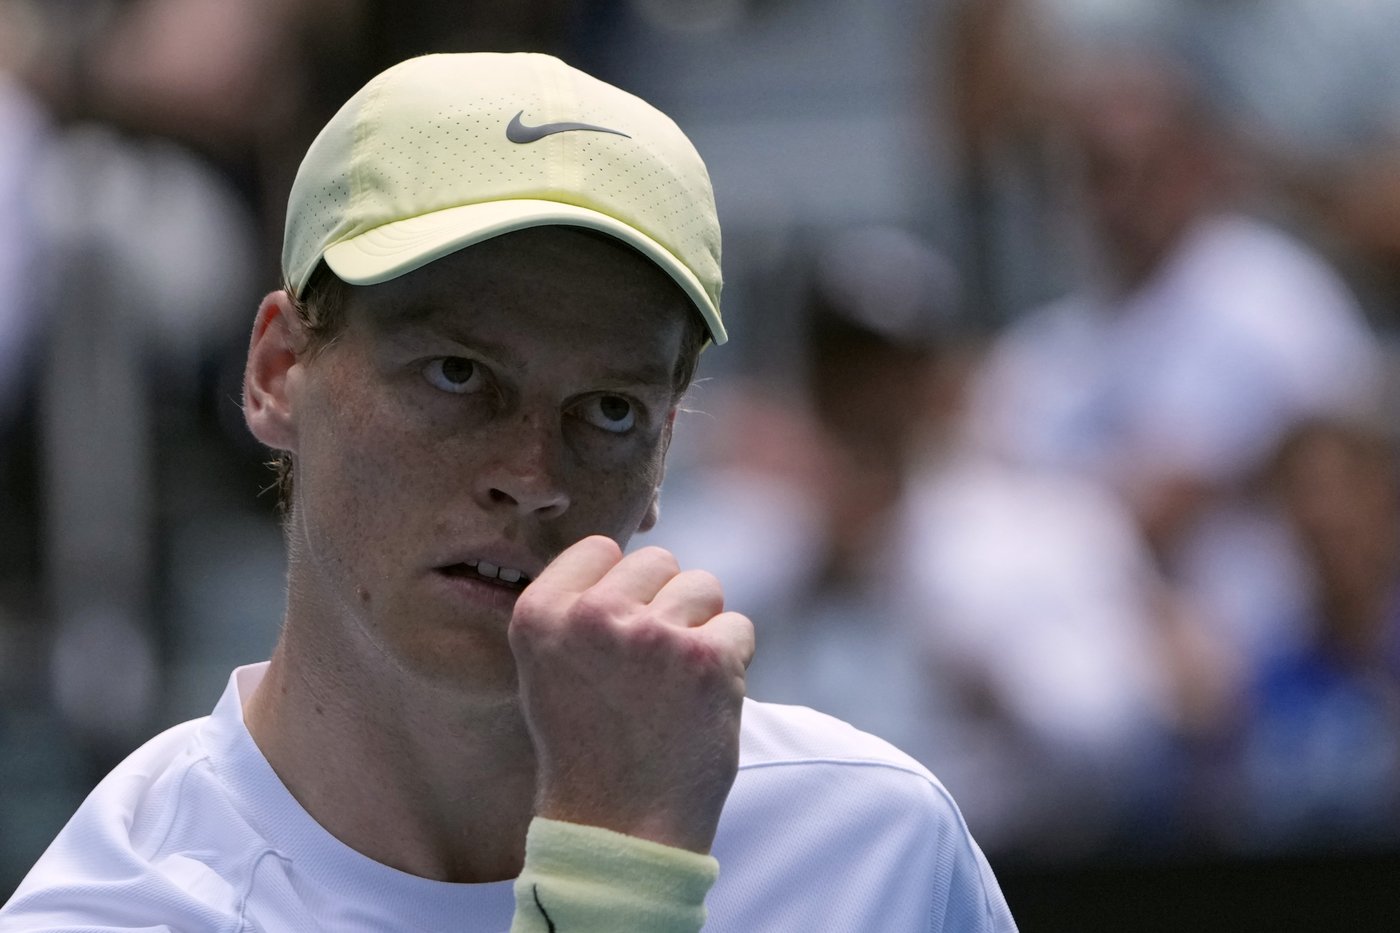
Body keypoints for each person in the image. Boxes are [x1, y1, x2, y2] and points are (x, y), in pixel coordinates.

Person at [0, 52, 1016, 932]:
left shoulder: (876, 842)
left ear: (663, 450)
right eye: (455, 373)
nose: (530, 477)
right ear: (277, 371)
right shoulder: (122, 912)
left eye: (609, 410)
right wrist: (619, 877)